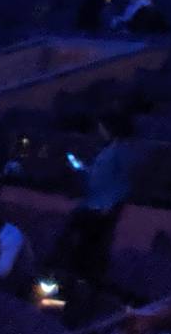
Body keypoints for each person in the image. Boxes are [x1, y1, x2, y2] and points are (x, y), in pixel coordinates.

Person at [58, 112, 135, 281]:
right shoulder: (116, 150)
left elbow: (107, 181)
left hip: (100, 209)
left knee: (87, 248)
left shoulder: (117, 152)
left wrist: (81, 171)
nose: (99, 131)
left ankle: (82, 281)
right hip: (101, 205)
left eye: (101, 127)